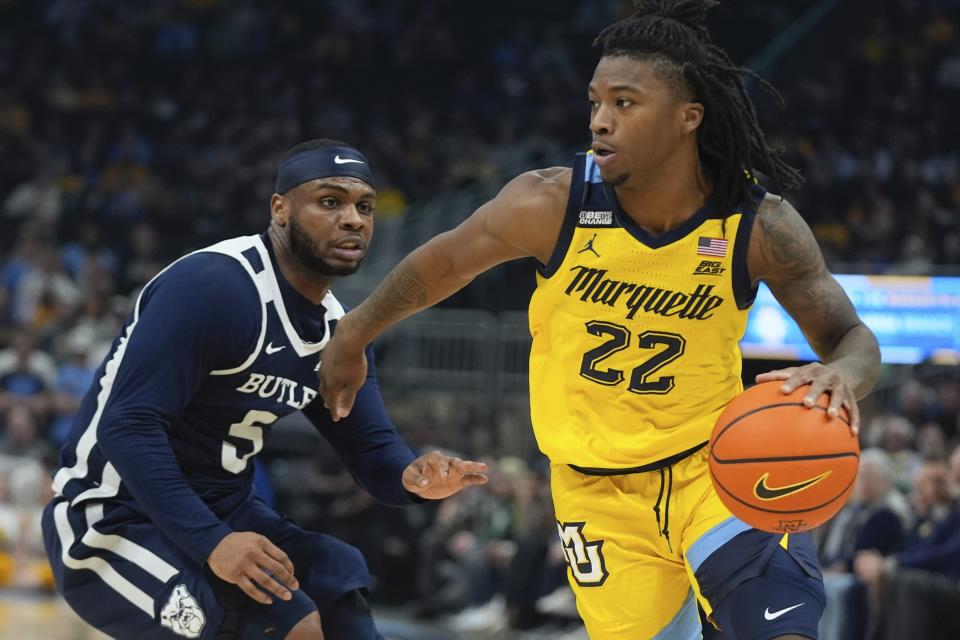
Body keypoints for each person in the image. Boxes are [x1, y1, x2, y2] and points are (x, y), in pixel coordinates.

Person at [318, 2, 881, 638]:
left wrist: (842, 376)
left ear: (687, 118)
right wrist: (354, 330)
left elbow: (852, 338)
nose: (600, 122)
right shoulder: (551, 202)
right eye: (595, 103)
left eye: (624, 103)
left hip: (718, 467)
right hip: (595, 491)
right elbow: (442, 263)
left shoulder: (759, 223)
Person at [41, 138, 489, 640]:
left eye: (364, 207)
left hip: (226, 516)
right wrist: (213, 542)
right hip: (114, 519)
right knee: (287, 622)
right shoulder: (216, 286)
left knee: (337, 585)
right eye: (330, 202)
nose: (354, 220)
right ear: (279, 209)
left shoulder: (339, 332)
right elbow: (127, 428)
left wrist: (414, 476)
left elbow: (371, 450)